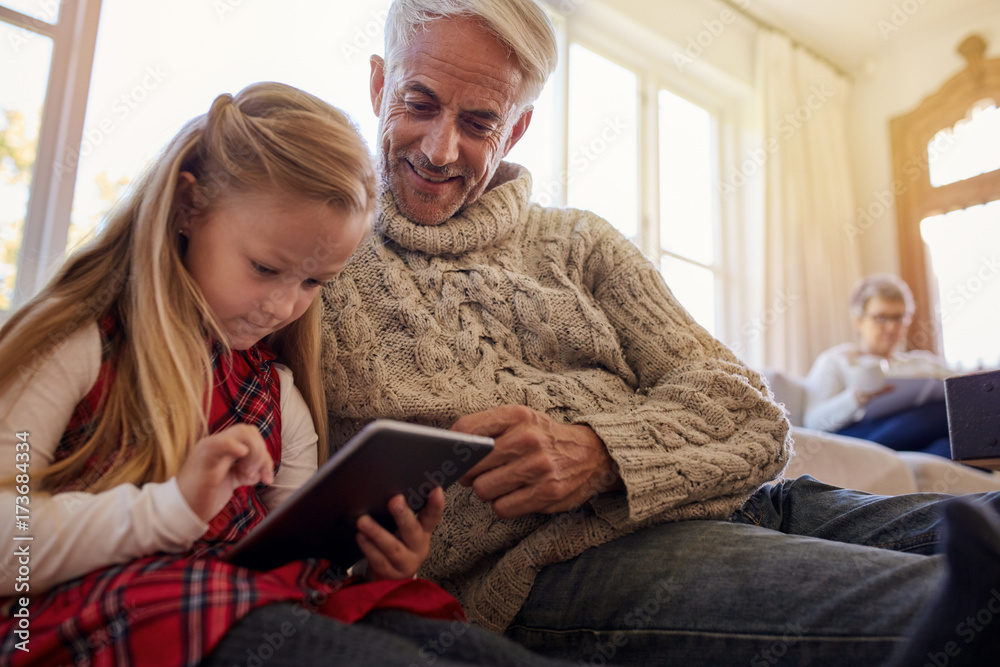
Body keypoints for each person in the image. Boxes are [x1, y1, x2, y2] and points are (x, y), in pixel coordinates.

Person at [319, 1, 1000, 664]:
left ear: (517, 128)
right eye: (418, 102)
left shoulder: (579, 240)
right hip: (564, 562)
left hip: (762, 503)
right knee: (960, 605)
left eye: (478, 122)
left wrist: (600, 451)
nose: (441, 149)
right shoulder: (316, 260)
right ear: (380, 82)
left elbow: (754, 416)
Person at [0, 82, 572, 667]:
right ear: (186, 209)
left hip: (244, 609)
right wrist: (168, 510)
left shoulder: (277, 396)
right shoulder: (76, 344)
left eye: (312, 282)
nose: (281, 306)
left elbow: (295, 564)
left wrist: (377, 561)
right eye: (265, 267)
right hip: (69, 624)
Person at [804, 273, 954, 458]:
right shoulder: (836, 360)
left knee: (954, 446)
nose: (891, 327)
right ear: (858, 321)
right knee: (943, 412)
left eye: (899, 317)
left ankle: (916, 472)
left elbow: (964, 386)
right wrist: (856, 399)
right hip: (861, 436)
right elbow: (812, 423)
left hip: (915, 436)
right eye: (881, 318)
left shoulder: (922, 362)